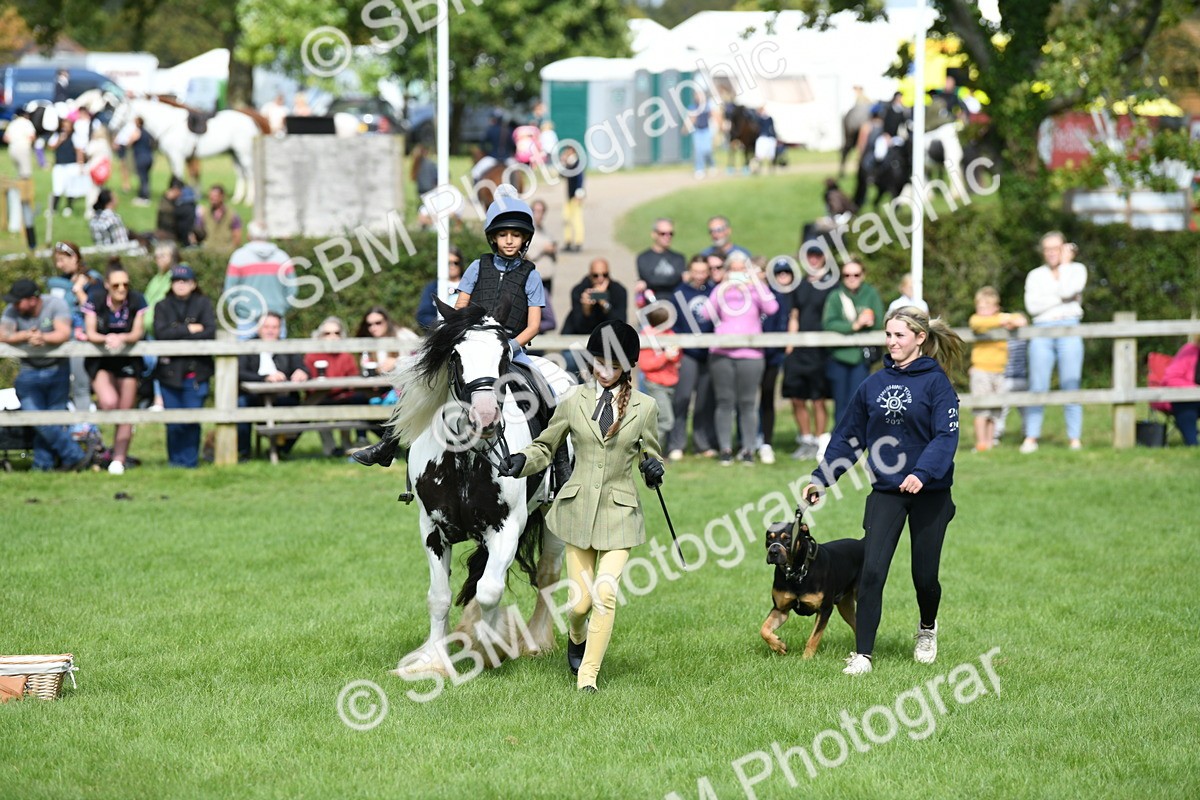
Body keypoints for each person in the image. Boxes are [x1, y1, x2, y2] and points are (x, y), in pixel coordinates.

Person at [497, 319, 665, 693]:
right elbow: (546, 445)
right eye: (599, 363)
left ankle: (587, 676)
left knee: (605, 594)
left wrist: (654, 469)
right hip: (575, 512)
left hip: (620, 514)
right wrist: (522, 461)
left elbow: (650, 456)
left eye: (614, 365)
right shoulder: (572, 401)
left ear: (627, 367)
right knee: (578, 604)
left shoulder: (645, 407)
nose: (605, 372)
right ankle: (576, 634)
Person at [802, 306, 965, 675]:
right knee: (872, 572)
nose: (891, 342)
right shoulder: (872, 385)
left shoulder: (937, 383)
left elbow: (946, 435)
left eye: (899, 336)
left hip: (931, 492)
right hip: (887, 491)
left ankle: (926, 627)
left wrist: (923, 473)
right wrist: (821, 478)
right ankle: (863, 656)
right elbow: (847, 436)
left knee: (924, 575)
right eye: (888, 335)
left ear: (920, 338)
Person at [0, 278, 91, 471]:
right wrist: (24, 336)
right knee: (36, 418)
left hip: (57, 371)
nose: (14, 304)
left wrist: (43, 338)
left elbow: (63, 333)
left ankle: (42, 466)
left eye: (18, 300)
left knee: (52, 420)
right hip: (28, 373)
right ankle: (75, 455)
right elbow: (3, 334)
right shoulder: (12, 310)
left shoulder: (55, 304)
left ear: (32, 299)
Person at [704, 251, 779, 466]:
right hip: (721, 354)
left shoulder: (756, 291)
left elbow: (772, 308)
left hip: (751, 355)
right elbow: (706, 313)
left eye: (741, 269)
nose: (737, 274)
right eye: (733, 270)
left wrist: (755, 281)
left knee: (748, 403)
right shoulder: (721, 290)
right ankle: (725, 448)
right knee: (725, 402)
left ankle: (748, 450)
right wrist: (723, 286)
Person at [1022, 233, 1087, 453]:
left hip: (1070, 328)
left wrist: (1066, 266)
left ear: (1065, 248)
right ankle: (1031, 436)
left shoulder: (1077, 270)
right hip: (1042, 329)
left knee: (1071, 383)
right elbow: (1033, 307)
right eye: (1047, 248)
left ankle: (1074, 437)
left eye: (1056, 248)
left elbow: (1069, 290)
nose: (1051, 252)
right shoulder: (1035, 275)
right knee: (1038, 384)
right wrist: (1061, 300)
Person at [83, 262, 148, 475]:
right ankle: (100, 438)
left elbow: (138, 332)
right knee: (110, 403)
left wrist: (122, 338)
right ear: (107, 285)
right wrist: (107, 339)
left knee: (125, 410)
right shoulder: (96, 300)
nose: (121, 289)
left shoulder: (136, 300)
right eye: (116, 285)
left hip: (128, 360)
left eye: (125, 285)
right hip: (101, 360)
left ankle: (118, 460)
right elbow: (90, 332)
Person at [153, 265, 216, 467]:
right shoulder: (162, 306)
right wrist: (190, 328)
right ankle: (174, 462)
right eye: (176, 281)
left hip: (196, 372)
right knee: (173, 421)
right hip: (169, 372)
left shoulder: (203, 303)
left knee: (192, 418)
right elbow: (161, 334)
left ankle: (189, 462)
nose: (180, 285)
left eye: (185, 281)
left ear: (193, 284)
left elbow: (210, 332)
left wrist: (176, 330)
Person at [784, 247, 836, 460]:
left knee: (818, 398)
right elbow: (794, 314)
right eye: (809, 256)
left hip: (821, 349)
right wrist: (790, 344)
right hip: (799, 348)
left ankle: (820, 440)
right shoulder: (799, 285)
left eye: (817, 255)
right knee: (796, 396)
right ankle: (806, 440)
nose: (813, 260)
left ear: (824, 258)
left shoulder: (832, 284)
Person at [665, 255, 717, 461]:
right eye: (696, 271)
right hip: (687, 353)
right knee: (682, 398)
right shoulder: (679, 293)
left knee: (705, 400)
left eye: (703, 271)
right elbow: (674, 325)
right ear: (689, 271)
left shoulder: (714, 292)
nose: (700, 276)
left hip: (710, 353)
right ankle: (676, 443)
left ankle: (702, 442)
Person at [236, 312, 309, 460]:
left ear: (280, 329)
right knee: (240, 404)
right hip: (253, 397)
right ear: (258, 329)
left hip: (282, 396)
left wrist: (302, 372)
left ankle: (281, 449)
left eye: (275, 327)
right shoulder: (246, 347)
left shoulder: (287, 347)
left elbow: (302, 367)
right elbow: (239, 372)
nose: (270, 330)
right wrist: (265, 378)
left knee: (306, 408)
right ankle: (243, 453)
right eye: (266, 326)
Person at [822, 258, 883, 424]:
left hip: (861, 358)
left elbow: (879, 323)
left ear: (862, 275)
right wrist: (855, 325)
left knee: (858, 402)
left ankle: (856, 441)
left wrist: (870, 321)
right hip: (838, 356)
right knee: (840, 403)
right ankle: (840, 442)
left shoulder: (871, 294)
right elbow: (829, 323)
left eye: (856, 274)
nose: (851, 278)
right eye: (847, 274)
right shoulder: (835, 296)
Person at [968, 287, 1026, 452]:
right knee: (981, 409)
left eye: (987, 307)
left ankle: (990, 441)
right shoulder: (979, 320)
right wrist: (1002, 321)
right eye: (980, 307)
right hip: (981, 371)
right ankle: (981, 443)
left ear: (996, 307)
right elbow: (977, 323)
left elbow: (1021, 320)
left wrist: (1007, 319)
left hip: (999, 372)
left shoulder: (1000, 319)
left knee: (995, 409)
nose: (983, 311)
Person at [45, 241, 99, 412]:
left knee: (80, 385)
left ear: (74, 257)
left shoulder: (92, 279)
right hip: (58, 339)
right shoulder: (57, 282)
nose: (59, 264)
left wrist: (79, 290)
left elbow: (96, 310)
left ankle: (84, 426)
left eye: (62, 260)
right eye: (57, 260)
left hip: (80, 339)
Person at [305, 317, 368, 456]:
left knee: (352, 402)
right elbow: (309, 386)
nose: (332, 337)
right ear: (320, 336)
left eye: (336, 333)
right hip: (320, 397)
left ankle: (347, 446)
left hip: (343, 396)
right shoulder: (311, 356)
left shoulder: (346, 356)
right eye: (327, 333)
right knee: (319, 407)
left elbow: (354, 380)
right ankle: (331, 449)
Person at [225, 221, 297, 338]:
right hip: (276, 320)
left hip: (246, 319)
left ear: (249, 236)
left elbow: (230, 292)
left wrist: (241, 310)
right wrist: (280, 309)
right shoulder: (282, 257)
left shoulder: (238, 257)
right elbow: (292, 291)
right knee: (278, 355)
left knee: (246, 355)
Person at [757, 259, 793, 465]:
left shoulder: (783, 296)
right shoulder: (762, 295)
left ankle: (766, 440)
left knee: (769, 396)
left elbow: (783, 323)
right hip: (755, 353)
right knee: (751, 399)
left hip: (775, 354)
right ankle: (753, 438)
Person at [142, 241, 182, 411]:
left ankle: (160, 400)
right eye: (157, 256)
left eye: (162, 256)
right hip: (150, 332)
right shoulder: (157, 278)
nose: (158, 259)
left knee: (161, 365)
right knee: (151, 365)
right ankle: (152, 398)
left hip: (165, 330)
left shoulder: (177, 275)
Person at [638, 306, 681, 446]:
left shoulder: (670, 334)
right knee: (666, 420)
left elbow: (677, 357)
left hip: (670, 382)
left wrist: (673, 356)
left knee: (660, 419)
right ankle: (650, 452)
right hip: (655, 383)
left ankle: (657, 451)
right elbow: (645, 365)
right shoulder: (646, 336)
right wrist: (665, 356)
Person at [562, 258, 627, 340]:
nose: (600, 279)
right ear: (590, 275)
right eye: (595, 275)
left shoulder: (618, 290)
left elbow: (620, 325)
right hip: (578, 338)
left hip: (608, 338)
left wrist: (603, 302)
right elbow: (579, 327)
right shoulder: (579, 290)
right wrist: (586, 310)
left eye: (605, 275)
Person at [3, 106, 38, 250]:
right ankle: (26, 198)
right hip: (22, 147)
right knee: (26, 178)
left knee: (19, 175)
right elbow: (32, 136)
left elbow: (6, 138)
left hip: (12, 149)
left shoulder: (13, 123)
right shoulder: (26, 122)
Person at [356, 306, 419, 377]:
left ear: (386, 321)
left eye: (378, 323)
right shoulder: (368, 340)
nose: (373, 328)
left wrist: (397, 362)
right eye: (369, 324)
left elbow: (419, 357)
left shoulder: (403, 335)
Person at [1159, 337, 1200, 446]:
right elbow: (1170, 379)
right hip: (1186, 398)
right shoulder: (1189, 351)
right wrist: (1194, 389)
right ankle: (1193, 444)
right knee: (1187, 407)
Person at [416, 248, 464, 332]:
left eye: (455, 263)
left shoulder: (470, 285)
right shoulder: (432, 288)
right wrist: (440, 326)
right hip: (440, 334)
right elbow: (423, 315)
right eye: (448, 263)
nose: (452, 266)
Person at [635, 219, 686, 298]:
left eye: (670, 234)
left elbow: (677, 279)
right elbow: (650, 279)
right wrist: (675, 279)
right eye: (663, 233)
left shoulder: (679, 258)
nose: (667, 237)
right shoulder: (643, 258)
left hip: (675, 302)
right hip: (652, 304)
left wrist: (647, 283)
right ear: (654, 234)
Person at [48, 117, 85, 217]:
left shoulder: (75, 137)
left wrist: (80, 165)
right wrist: (60, 140)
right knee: (57, 187)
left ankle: (69, 207)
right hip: (59, 164)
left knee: (71, 187)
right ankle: (53, 209)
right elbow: (50, 147)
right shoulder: (57, 136)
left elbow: (79, 151)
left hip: (71, 164)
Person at [196, 184, 244, 249]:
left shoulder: (232, 215)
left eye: (215, 196)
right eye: (210, 196)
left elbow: (237, 236)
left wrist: (231, 250)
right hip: (208, 251)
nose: (212, 199)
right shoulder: (204, 213)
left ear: (222, 196)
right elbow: (197, 233)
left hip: (226, 251)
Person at [157, 177, 200, 245]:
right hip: (168, 235)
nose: (181, 194)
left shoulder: (173, 202)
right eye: (180, 191)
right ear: (175, 190)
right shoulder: (166, 204)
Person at [560, 145, 585, 252]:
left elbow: (580, 179)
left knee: (576, 219)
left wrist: (579, 194)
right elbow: (561, 175)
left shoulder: (577, 163)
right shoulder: (569, 164)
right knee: (567, 218)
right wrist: (563, 163)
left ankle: (578, 242)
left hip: (575, 196)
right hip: (569, 196)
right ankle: (568, 241)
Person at [687, 90, 716, 179]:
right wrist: (686, 127)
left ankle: (711, 165)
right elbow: (691, 119)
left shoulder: (707, 106)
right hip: (697, 131)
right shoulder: (692, 107)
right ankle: (699, 169)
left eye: (699, 95)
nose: (698, 97)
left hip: (706, 130)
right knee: (699, 150)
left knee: (707, 149)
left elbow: (713, 115)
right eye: (696, 95)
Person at [127, 116, 155, 205]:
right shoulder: (148, 132)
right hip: (149, 157)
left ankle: (144, 197)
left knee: (142, 178)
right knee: (146, 177)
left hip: (141, 157)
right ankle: (144, 195)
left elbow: (130, 142)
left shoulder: (138, 132)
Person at [754, 105, 777, 173]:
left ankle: (771, 169)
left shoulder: (770, 119)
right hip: (762, 137)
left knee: (770, 155)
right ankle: (759, 169)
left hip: (769, 137)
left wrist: (774, 137)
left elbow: (772, 128)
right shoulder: (759, 119)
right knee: (760, 155)